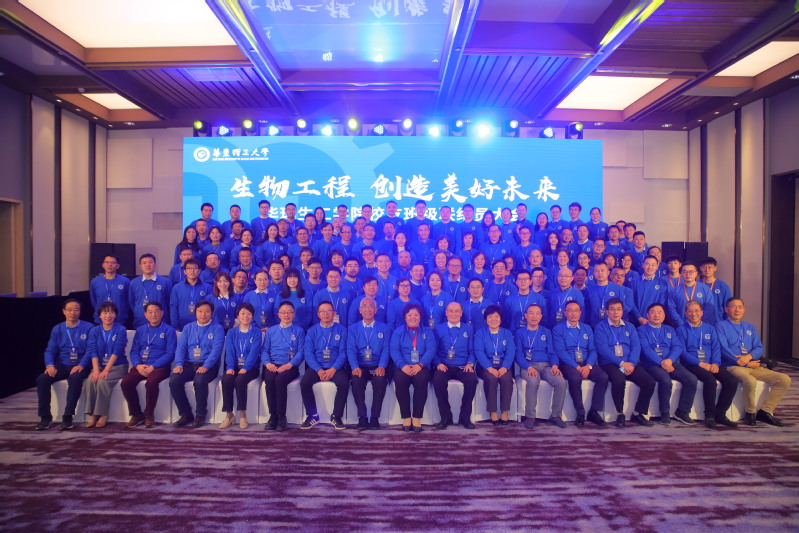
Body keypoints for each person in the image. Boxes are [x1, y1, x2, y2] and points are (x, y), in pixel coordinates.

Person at [717, 298, 791, 426]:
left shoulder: (749, 327)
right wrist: (745, 362)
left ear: (744, 309)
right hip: (733, 366)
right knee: (750, 381)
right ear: (726, 309)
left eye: (740, 307)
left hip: (753, 365)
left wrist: (749, 356)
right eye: (733, 306)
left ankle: (765, 411)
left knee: (784, 379)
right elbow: (723, 349)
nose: (737, 310)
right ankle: (750, 413)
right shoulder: (720, 326)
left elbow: (759, 347)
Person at [676, 300, 739, 428]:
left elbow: (716, 347)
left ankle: (720, 414)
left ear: (702, 312)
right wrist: (700, 363)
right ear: (686, 313)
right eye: (690, 311)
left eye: (696, 311)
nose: (694, 314)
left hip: (711, 363)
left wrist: (715, 363)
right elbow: (682, 352)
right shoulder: (681, 330)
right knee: (710, 380)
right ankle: (709, 415)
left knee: (732, 381)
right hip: (692, 364)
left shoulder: (710, 328)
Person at [594, 298, 656, 427]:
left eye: (618, 309)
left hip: (630, 363)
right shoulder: (601, 327)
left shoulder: (630, 326)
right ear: (607, 312)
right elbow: (603, 349)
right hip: (611, 363)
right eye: (612, 309)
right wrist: (621, 363)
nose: (615, 312)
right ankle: (620, 414)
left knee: (649, 381)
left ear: (622, 311)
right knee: (619, 380)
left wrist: (631, 363)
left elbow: (636, 346)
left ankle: (638, 413)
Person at [35, 298, 93, 430]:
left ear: (80, 311)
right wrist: (50, 365)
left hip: (80, 365)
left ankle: (68, 416)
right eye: (69, 310)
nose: (73, 313)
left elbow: (91, 350)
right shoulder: (58, 329)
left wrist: (82, 365)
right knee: (42, 379)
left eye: (76, 310)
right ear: (64, 311)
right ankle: (45, 416)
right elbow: (50, 350)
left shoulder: (88, 327)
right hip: (61, 365)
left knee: (75, 378)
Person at [637, 303, 698, 425]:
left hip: (671, 362)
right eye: (653, 312)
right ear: (647, 315)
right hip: (652, 364)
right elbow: (645, 349)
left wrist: (670, 360)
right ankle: (664, 412)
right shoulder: (641, 330)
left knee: (691, 380)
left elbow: (677, 346)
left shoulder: (670, 329)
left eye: (660, 312)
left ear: (664, 315)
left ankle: (682, 412)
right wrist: (661, 363)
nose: (656, 315)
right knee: (665, 380)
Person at [120, 301, 177, 428]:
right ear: (145, 315)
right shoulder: (140, 330)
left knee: (151, 382)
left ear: (162, 313)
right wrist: (138, 365)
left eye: (156, 311)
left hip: (160, 366)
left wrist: (153, 366)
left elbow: (170, 354)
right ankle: (136, 414)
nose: (153, 314)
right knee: (126, 382)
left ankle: (149, 414)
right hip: (141, 365)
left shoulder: (169, 330)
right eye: (150, 312)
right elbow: (134, 351)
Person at [552, 301, 609, 427]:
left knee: (603, 377)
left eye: (576, 310)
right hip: (568, 363)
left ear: (580, 313)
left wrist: (588, 366)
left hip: (587, 362)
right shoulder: (558, 329)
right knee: (574, 378)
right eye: (570, 310)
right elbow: (561, 351)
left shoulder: (587, 328)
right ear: (565, 313)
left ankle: (594, 412)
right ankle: (580, 413)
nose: (573, 313)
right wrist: (577, 367)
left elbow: (593, 349)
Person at [170, 300, 224, 428]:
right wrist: (179, 364)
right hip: (189, 364)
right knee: (174, 380)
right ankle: (185, 413)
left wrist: (206, 366)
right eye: (200, 311)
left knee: (199, 380)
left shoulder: (217, 328)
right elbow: (181, 348)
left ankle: (200, 415)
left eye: (207, 311)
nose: (203, 314)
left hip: (209, 365)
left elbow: (216, 351)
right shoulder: (188, 328)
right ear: (195, 313)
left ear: (211, 313)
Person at [515, 303, 567, 428]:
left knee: (561, 382)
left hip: (547, 366)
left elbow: (552, 352)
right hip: (529, 365)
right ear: (526, 315)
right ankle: (530, 416)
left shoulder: (546, 332)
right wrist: (528, 367)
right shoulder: (520, 333)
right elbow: (518, 354)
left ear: (541, 316)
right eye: (531, 313)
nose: (534, 316)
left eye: (537, 313)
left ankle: (556, 415)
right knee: (533, 382)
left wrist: (555, 365)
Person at [300, 301, 350, 429]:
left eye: (328, 310)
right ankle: (312, 415)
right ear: (318, 314)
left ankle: (336, 416)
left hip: (335, 367)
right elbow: (308, 353)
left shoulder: (342, 330)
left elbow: (343, 353)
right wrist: (319, 370)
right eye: (322, 311)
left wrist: (333, 369)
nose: (326, 313)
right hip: (317, 367)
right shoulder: (312, 331)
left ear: (334, 313)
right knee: (304, 383)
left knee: (344, 383)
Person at [432, 302, 478, 430]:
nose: (454, 314)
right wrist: (438, 363)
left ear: (461, 313)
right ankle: (445, 417)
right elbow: (433, 350)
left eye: (457, 311)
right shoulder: (438, 329)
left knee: (472, 380)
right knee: (437, 380)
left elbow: (472, 350)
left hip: (463, 366)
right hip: (444, 365)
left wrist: (470, 363)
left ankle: (465, 417)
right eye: (451, 311)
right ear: (446, 313)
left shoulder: (468, 329)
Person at [82, 301, 128, 428]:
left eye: (111, 312)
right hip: (99, 366)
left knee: (103, 381)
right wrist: (96, 370)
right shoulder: (94, 330)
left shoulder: (120, 329)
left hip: (118, 366)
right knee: (91, 380)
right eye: (105, 313)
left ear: (115, 315)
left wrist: (106, 370)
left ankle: (103, 414)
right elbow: (93, 350)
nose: (108, 315)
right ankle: (92, 414)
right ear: (100, 316)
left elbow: (117, 351)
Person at [347, 297, 391, 430]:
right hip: (360, 366)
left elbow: (386, 349)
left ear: (375, 310)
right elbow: (351, 349)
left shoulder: (384, 328)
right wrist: (354, 367)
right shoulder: (353, 329)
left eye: (371, 306)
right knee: (356, 381)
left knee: (380, 381)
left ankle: (375, 418)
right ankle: (362, 417)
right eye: (365, 307)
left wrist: (382, 366)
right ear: (360, 310)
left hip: (377, 365)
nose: (368, 309)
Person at [391, 303, 435, 432]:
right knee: (400, 380)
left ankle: (416, 417)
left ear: (420, 317)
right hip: (403, 366)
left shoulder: (427, 332)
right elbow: (394, 350)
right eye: (409, 315)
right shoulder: (398, 332)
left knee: (421, 380)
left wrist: (420, 365)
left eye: (416, 315)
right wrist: (402, 365)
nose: (413, 317)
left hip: (421, 366)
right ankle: (406, 417)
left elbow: (431, 350)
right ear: (405, 317)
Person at [261, 301, 304, 431]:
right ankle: (272, 416)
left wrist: (289, 365)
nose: (286, 315)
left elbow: (301, 352)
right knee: (269, 379)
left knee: (280, 380)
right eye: (284, 312)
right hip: (272, 365)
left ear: (294, 314)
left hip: (290, 366)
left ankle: (281, 416)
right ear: (279, 314)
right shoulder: (271, 331)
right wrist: (268, 363)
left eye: (289, 312)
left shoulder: (299, 331)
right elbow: (264, 350)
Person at [218, 303, 263, 429]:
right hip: (234, 366)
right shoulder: (232, 332)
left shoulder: (256, 332)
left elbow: (254, 352)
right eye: (243, 313)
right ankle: (229, 415)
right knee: (226, 379)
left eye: (249, 314)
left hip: (251, 368)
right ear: (238, 316)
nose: (245, 316)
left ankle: (243, 414)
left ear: (252, 316)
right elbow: (230, 351)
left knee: (240, 380)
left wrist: (246, 368)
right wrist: (230, 367)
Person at [474, 305, 515, 425]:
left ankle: (505, 411)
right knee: (491, 379)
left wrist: (504, 367)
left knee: (506, 379)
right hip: (485, 367)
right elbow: (479, 351)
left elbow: (511, 351)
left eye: (496, 316)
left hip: (503, 366)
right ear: (486, 319)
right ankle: (493, 411)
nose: (493, 319)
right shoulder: (480, 333)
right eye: (490, 317)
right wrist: (489, 368)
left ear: (501, 319)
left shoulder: (507, 333)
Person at [128, 253, 171, 329]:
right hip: (140, 322)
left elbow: (169, 302)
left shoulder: (165, 282)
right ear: (140, 266)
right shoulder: (134, 283)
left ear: (155, 264)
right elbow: (132, 302)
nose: (147, 265)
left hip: (161, 322)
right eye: (144, 263)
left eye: (150, 262)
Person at [169, 259, 213, 331]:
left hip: (202, 326)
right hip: (182, 326)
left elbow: (210, 309)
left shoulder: (207, 288)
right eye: (189, 268)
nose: (192, 271)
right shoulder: (177, 288)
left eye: (195, 268)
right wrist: (175, 327)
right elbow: (173, 308)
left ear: (199, 271)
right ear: (185, 271)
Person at [668, 261, 716, 327]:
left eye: (691, 272)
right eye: (685, 272)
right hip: (681, 326)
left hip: (701, 326)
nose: (688, 274)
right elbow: (671, 309)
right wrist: (680, 323)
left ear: (696, 273)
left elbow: (709, 308)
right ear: (681, 273)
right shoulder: (675, 290)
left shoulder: (705, 289)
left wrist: (699, 323)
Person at [89, 254, 131, 326]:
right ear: (103, 265)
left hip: (120, 319)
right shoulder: (95, 281)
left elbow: (129, 301)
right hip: (100, 320)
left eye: (113, 262)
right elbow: (94, 301)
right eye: (107, 262)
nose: (109, 265)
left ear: (117, 266)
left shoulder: (125, 281)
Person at [699, 257, 732, 322]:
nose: (707, 270)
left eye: (710, 267)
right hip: (699, 322)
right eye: (704, 267)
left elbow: (728, 306)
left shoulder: (723, 286)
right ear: (700, 268)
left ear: (715, 268)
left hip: (718, 322)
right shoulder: (696, 285)